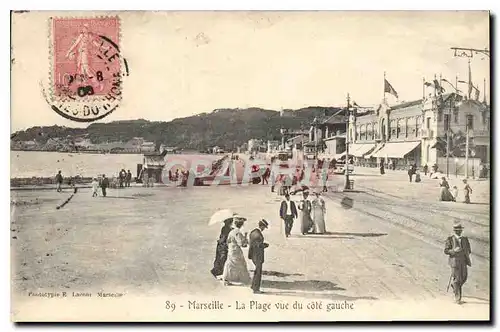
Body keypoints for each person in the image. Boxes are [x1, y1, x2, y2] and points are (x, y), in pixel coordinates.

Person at [444, 222, 471, 304]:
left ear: (461, 230)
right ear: (454, 231)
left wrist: (466, 252)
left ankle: (454, 285)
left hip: (463, 261)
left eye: (459, 230)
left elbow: (469, 249)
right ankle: (457, 298)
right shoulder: (450, 239)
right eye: (456, 230)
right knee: (457, 279)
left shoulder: (465, 239)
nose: (458, 231)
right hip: (454, 262)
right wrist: (453, 251)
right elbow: (446, 250)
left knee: (464, 277)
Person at [222, 218, 251, 286]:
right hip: (236, 251)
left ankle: (226, 279)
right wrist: (245, 237)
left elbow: (227, 241)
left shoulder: (232, 232)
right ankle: (243, 280)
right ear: (241, 225)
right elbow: (241, 244)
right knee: (241, 265)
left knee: (230, 264)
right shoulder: (238, 233)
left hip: (231, 249)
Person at [248, 219, 269, 294]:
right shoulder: (258, 235)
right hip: (257, 255)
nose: (264, 229)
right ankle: (256, 289)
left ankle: (253, 286)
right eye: (264, 227)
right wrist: (265, 245)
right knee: (258, 272)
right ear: (262, 226)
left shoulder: (253, 232)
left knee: (257, 271)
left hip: (253, 254)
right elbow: (259, 245)